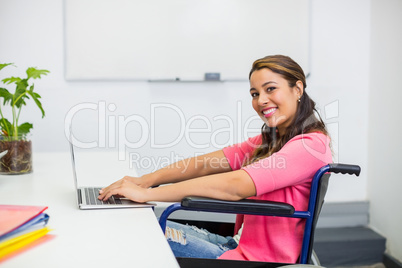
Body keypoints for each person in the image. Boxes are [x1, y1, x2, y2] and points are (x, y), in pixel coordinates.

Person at [98, 55, 332, 263]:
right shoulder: (272, 140)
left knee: (144, 233)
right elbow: (204, 165)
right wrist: (147, 180)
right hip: (237, 244)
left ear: (298, 89)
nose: (261, 100)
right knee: (142, 224)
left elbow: (234, 186)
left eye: (270, 89)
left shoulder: (309, 146)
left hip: (257, 259)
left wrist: (147, 195)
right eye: (255, 94)